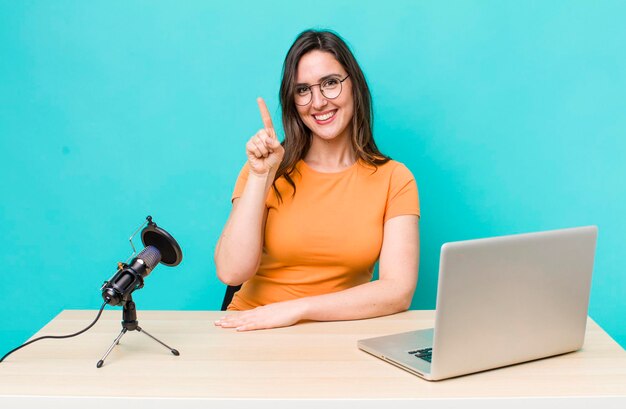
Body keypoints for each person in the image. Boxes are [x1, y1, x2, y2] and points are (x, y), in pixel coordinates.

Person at [214, 29, 419, 331]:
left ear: (354, 86)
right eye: (303, 90)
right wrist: (261, 176)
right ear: (293, 100)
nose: (319, 101)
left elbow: (397, 291)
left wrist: (298, 309)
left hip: (339, 334)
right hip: (252, 327)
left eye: (331, 84)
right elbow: (232, 272)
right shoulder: (266, 168)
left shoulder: (394, 178)